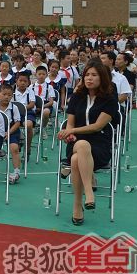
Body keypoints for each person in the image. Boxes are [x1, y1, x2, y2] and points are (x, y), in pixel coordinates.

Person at [57, 59, 118, 225]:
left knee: (76, 159)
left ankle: (78, 205)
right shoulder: (77, 97)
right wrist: (70, 133)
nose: (89, 78)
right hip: (76, 142)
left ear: (102, 78)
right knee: (81, 146)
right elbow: (70, 122)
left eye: (94, 75)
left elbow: (97, 126)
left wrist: (72, 131)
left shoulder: (110, 100)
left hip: (99, 145)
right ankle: (89, 193)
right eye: (87, 75)